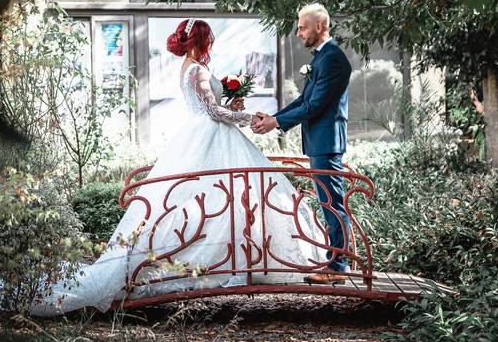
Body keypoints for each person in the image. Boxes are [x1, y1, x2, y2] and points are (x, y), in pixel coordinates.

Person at [31, 19, 326, 315]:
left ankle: (237, 260)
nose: (211, 43)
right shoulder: (196, 69)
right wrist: (247, 118)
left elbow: (213, 106)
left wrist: (232, 105)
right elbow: (211, 111)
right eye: (207, 39)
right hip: (208, 134)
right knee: (219, 194)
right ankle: (217, 262)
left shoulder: (189, 67)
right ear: (199, 41)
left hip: (205, 134)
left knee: (224, 195)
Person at [251, 4, 353, 284]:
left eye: (303, 27)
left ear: (319, 27)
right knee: (328, 201)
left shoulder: (332, 59)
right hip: (319, 141)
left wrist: (275, 123)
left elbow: (315, 106)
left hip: (326, 142)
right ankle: (336, 263)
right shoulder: (322, 58)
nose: (298, 33)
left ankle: (338, 267)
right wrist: (274, 118)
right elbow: (302, 102)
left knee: (332, 203)